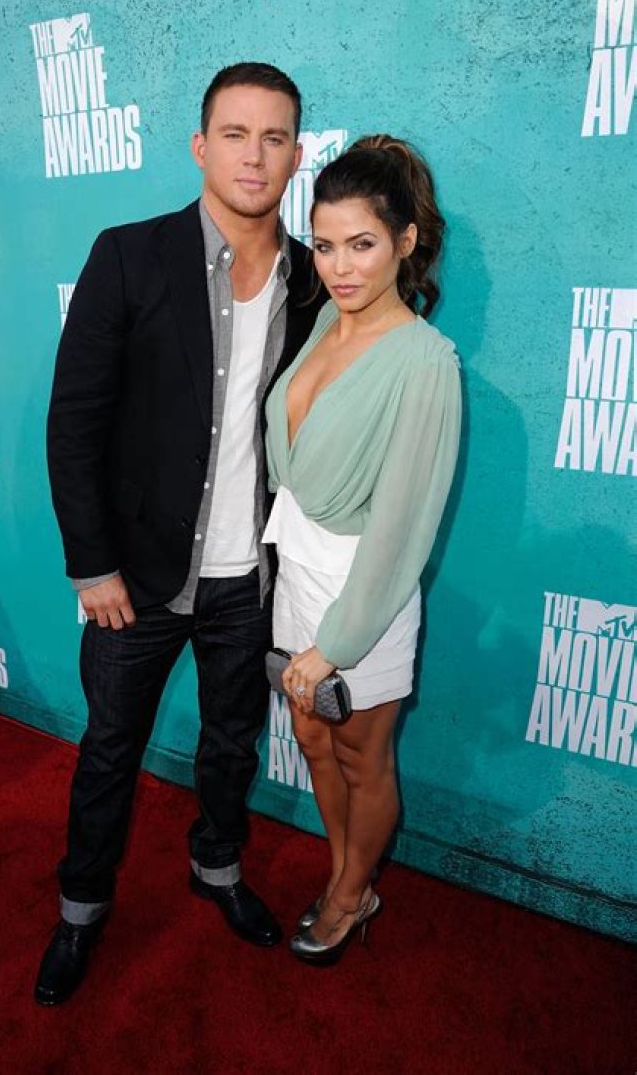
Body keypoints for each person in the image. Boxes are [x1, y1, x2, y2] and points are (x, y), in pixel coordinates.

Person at [37, 62, 325, 1005]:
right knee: (110, 750)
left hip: (251, 579)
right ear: (201, 147)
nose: (255, 155)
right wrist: (92, 567)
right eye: (235, 134)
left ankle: (217, 867)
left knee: (232, 743)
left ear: (297, 156)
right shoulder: (129, 255)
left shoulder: (313, 282)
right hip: (136, 578)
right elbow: (74, 422)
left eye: (274, 137)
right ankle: (81, 909)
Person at [262, 135, 462, 965]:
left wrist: (337, 642)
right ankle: (349, 872)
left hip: (364, 592)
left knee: (360, 752)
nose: (340, 267)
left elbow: (403, 526)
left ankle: (349, 895)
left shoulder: (425, 361)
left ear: (406, 242)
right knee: (313, 740)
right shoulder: (324, 324)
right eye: (324, 244)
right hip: (298, 573)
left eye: (362, 244)